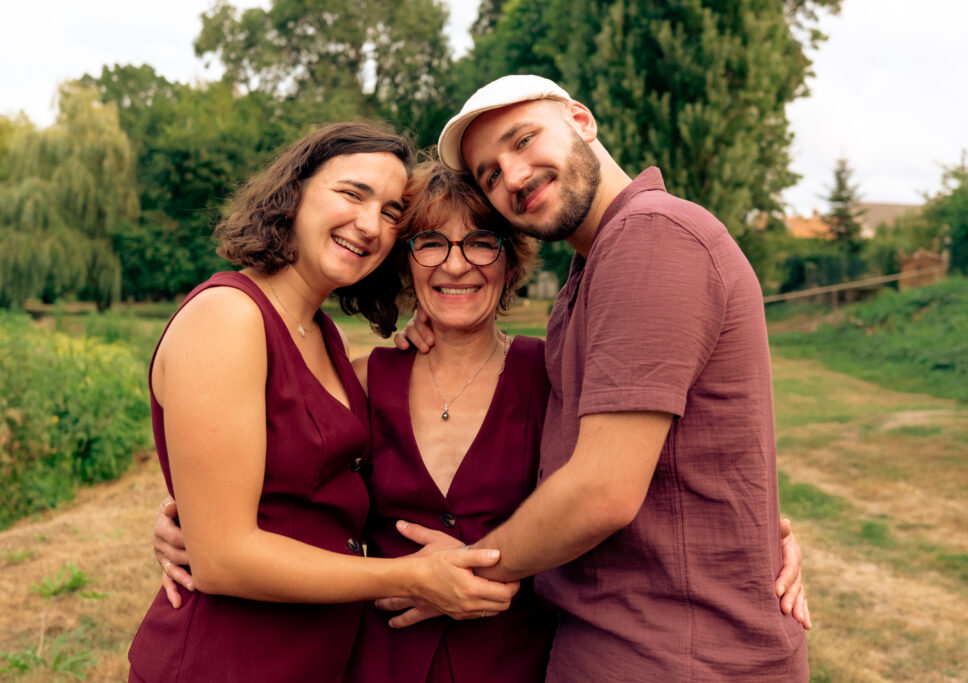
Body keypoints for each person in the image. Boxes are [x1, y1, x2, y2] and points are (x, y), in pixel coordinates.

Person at [392, 75, 810, 680]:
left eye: (523, 140)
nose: (513, 176)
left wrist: (463, 574)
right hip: (628, 640)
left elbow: (602, 491)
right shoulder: (595, 266)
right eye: (490, 175)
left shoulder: (651, 235)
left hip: (678, 654)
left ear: (582, 122)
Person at [127, 123, 519, 683]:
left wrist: (442, 329)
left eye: (389, 212)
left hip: (316, 660)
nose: (370, 224)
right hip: (227, 662)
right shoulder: (228, 316)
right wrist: (412, 576)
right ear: (294, 192)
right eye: (352, 193)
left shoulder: (322, 336)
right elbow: (221, 559)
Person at [343, 160, 556, 682]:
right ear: (406, 260)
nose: (455, 266)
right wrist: (183, 520)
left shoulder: (551, 374)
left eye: (481, 243)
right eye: (431, 243)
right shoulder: (366, 379)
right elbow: (296, 500)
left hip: (515, 664)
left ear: (511, 260)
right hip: (381, 664)